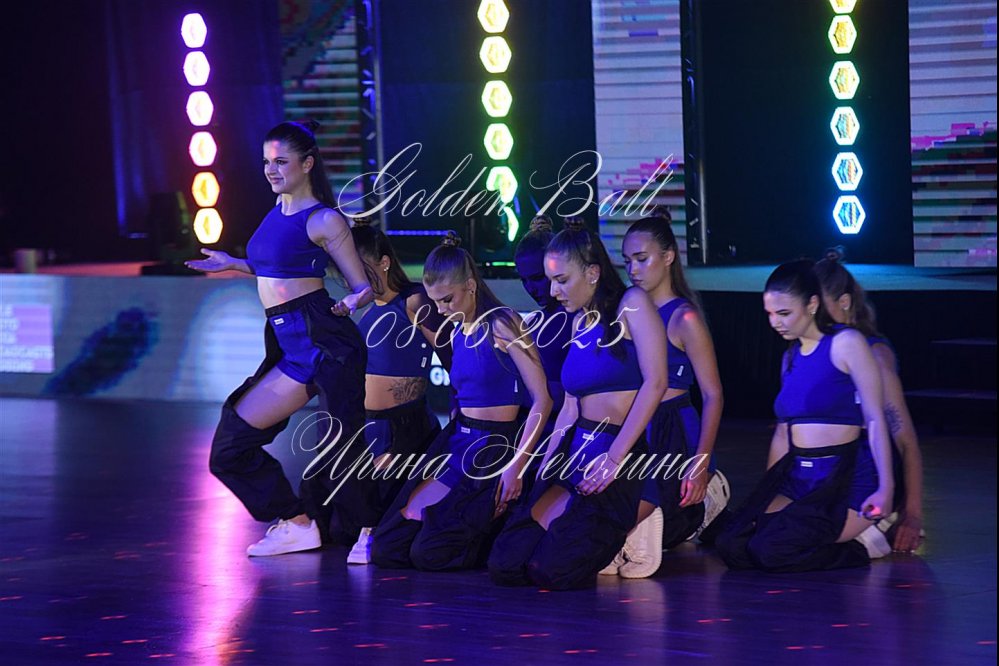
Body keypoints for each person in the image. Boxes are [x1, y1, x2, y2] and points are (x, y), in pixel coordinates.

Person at [186, 120, 373, 557]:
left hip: (325, 338)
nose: (271, 169)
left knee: (343, 443)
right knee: (231, 446)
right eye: (267, 162)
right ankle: (297, 522)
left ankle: (368, 532)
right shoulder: (276, 209)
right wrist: (233, 263)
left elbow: (362, 286)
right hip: (289, 344)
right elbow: (276, 266)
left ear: (307, 164)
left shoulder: (324, 219)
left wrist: (350, 304)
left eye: (281, 161)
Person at [488, 216, 668, 590]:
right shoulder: (579, 320)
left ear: (592, 273)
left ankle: (638, 517)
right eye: (550, 281)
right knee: (506, 562)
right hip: (576, 453)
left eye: (562, 280)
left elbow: (656, 383)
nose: (553, 291)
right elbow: (570, 406)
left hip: (619, 451)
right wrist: (542, 466)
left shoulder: (632, 304)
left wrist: (614, 459)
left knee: (550, 571)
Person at [369, 232, 551, 571]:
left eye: (447, 300)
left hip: (494, 447)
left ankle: (489, 528)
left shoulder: (503, 323)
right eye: (436, 302)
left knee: (429, 553)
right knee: (387, 547)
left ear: (470, 285)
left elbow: (542, 399)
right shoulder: (455, 332)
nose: (441, 309)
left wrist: (517, 466)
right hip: (457, 442)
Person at [716, 260, 895, 572]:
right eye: (770, 314)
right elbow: (782, 433)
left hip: (842, 478)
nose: (775, 322)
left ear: (812, 304)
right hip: (798, 476)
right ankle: (818, 535)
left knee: (770, 550)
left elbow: (875, 418)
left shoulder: (846, 343)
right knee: (732, 545)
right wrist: (767, 491)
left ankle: (862, 545)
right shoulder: (790, 357)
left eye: (784, 313)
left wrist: (887, 489)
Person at [322, 219, 454, 564]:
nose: (353, 277)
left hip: (404, 426)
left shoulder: (414, 301)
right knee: (339, 526)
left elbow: (452, 358)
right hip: (367, 426)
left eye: (361, 267)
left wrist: (461, 413)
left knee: (382, 518)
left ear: (383, 262)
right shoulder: (366, 310)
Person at [607, 210, 727, 578]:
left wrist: (701, 463)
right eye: (627, 261)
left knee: (649, 514)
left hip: (672, 427)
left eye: (642, 259)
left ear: (668, 256)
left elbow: (713, 394)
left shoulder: (683, 318)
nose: (633, 269)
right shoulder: (627, 308)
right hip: (635, 423)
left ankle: (708, 498)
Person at [814, 254, 925, 553]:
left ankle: (879, 521)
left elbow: (906, 442)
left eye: (820, 308)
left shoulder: (875, 357)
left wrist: (912, 514)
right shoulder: (815, 351)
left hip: (869, 474)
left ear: (844, 302)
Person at [513, 215, 573, 432]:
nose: (530, 288)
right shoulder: (532, 323)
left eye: (537, 278)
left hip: (564, 434)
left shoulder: (580, 318)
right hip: (530, 433)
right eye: (524, 280)